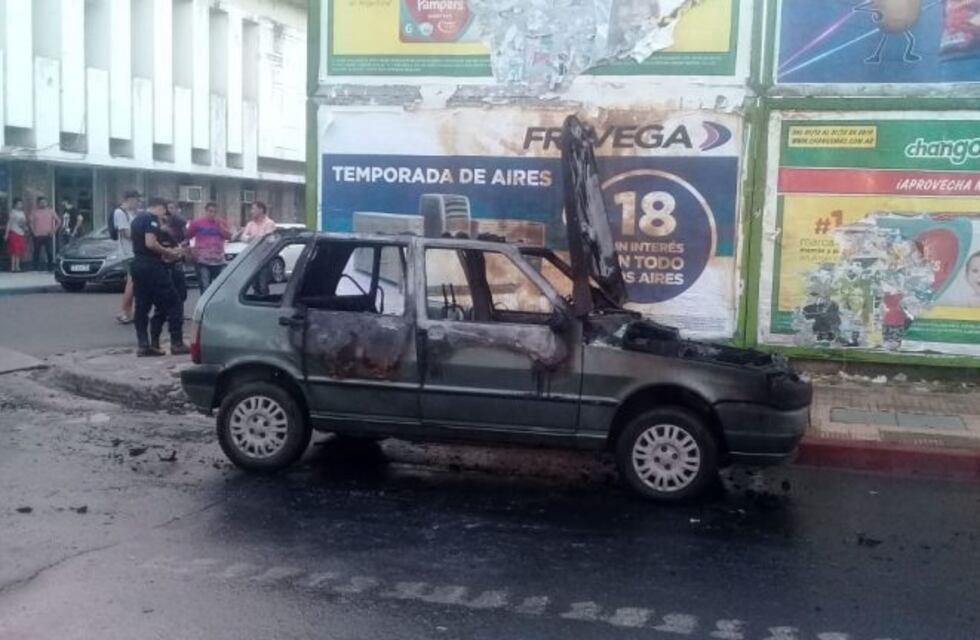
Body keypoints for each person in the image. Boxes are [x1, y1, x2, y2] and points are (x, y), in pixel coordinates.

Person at [129, 197, 188, 357]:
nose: (164, 214)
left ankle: (144, 345)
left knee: (142, 304)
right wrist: (168, 252)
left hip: (138, 264)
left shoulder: (136, 220)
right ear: (159, 207)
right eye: (164, 210)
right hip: (152, 265)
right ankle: (177, 343)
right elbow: (150, 243)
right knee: (174, 302)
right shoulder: (150, 219)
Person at [185, 201, 231, 293]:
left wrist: (220, 227)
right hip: (202, 260)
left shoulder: (221, 222)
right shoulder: (197, 223)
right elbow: (187, 236)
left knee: (221, 287)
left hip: (218, 260)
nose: (212, 214)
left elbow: (228, 236)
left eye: (214, 212)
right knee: (205, 288)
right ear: (205, 211)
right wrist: (190, 252)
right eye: (210, 211)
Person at [114, 190, 141, 324]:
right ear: (129, 199)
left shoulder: (132, 213)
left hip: (134, 251)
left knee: (133, 282)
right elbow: (126, 233)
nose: (138, 203)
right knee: (131, 282)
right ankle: (124, 312)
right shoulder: (120, 212)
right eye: (136, 200)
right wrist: (141, 236)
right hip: (128, 252)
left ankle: (128, 312)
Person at [240, 201, 277, 295]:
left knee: (263, 285)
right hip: (253, 259)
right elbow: (243, 237)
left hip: (264, 259)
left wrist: (254, 238)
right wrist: (251, 238)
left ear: (261, 210)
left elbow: (269, 240)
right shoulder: (250, 224)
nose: (251, 212)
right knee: (255, 285)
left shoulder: (269, 223)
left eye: (253, 209)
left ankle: (265, 305)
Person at [29, 196, 60, 271]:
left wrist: (53, 231)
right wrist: (33, 232)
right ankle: (35, 267)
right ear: (38, 203)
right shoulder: (34, 212)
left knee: (49, 252)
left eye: (44, 202)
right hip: (37, 235)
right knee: (36, 252)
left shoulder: (51, 211)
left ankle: (50, 268)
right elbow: (30, 223)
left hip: (48, 235)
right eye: (41, 202)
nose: (43, 204)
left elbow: (59, 221)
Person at [4, 198, 28, 272]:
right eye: (18, 204)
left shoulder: (22, 213)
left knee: (19, 251)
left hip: (21, 233)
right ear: (15, 204)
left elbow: (24, 223)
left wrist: (25, 229)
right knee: (14, 251)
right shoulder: (13, 212)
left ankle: (18, 267)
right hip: (14, 233)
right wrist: (6, 234)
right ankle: (13, 267)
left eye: (21, 204)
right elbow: (9, 223)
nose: (20, 205)